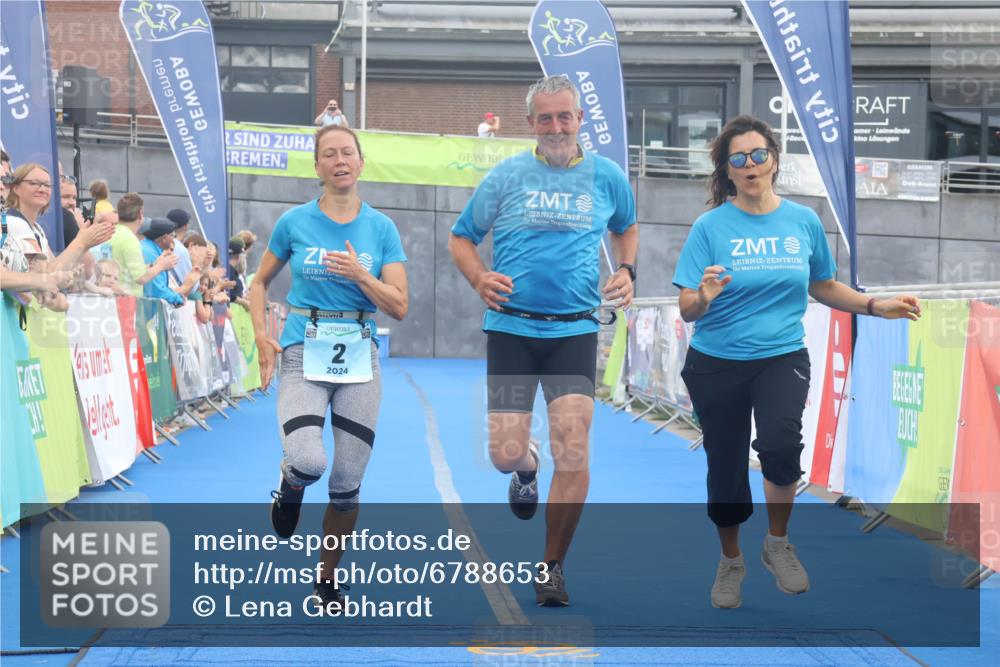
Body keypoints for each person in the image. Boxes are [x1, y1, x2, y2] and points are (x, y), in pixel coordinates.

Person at [671, 115, 922, 610]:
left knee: (782, 445)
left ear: (774, 160)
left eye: (758, 155)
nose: (750, 166)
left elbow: (823, 285)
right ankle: (731, 560)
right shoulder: (710, 226)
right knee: (724, 465)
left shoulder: (803, 221)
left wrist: (876, 305)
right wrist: (702, 296)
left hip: (781, 355)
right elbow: (686, 307)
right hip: (715, 360)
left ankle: (778, 544)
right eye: (737, 159)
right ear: (727, 170)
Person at [448, 75, 638, 607]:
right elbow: (461, 237)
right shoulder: (506, 176)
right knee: (505, 454)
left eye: (565, 116)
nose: (557, 126)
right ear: (531, 123)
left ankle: (552, 567)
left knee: (573, 448)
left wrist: (626, 268)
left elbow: (627, 226)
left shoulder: (607, 177)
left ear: (580, 120)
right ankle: (525, 467)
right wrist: (479, 277)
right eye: (546, 118)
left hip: (574, 330)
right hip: (512, 330)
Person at [249, 124, 408, 609]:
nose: (340, 161)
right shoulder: (294, 223)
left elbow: (399, 305)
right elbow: (258, 284)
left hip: (360, 357)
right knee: (310, 461)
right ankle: (291, 482)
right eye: (329, 154)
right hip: (302, 352)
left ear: (361, 162)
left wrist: (362, 275)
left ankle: (326, 578)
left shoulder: (381, 228)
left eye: (348, 153)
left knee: (345, 485)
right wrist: (261, 337)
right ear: (317, 166)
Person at [108, 193, 175, 297]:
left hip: (112, 299)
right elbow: (141, 278)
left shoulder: (111, 233)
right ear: (140, 214)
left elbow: (128, 269)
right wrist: (162, 266)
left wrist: (155, 263)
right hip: (127, 302)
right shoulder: (130, 239)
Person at [140, 217, 197, 306]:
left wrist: (176, 296)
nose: (174, 239)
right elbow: (157, 290)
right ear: (164, 238)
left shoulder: (152, 249)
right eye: (173, 235)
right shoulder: (150, 253)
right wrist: (178, 299)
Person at [166, 208, 193, 284]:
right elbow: (190, 286)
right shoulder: (181, 250)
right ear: (186, 226)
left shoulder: (162, 242)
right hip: (176, 293)